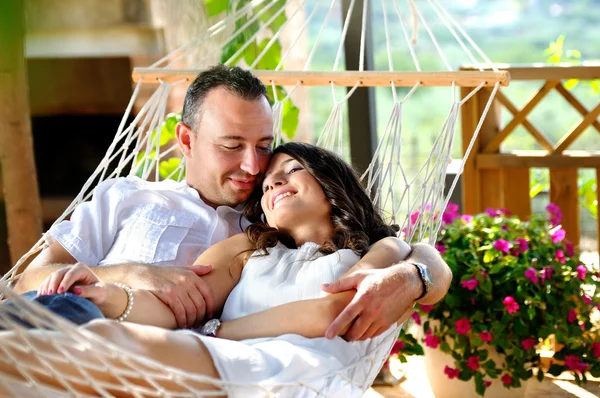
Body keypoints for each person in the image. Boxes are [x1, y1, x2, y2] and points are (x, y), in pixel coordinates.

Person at [13, 64, 451, 340]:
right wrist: (132, 272)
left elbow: (406, 248)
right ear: (186, 139)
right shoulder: (125, 196)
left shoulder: (270, 231)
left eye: (263, 145)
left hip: (150, 361)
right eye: (231, 144)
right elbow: (25, 279)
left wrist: (414, 274)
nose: (252, 165)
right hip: (66, 323)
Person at [0, 143, 449, 397]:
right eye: (269, 182)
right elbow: (174, 307)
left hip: (298, 370)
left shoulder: (384, 248)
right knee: (86, 332)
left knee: (99, 345)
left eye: (292, 171)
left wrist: (219, 331)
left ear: (332, 185)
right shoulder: (247, 250)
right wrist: (106, 293)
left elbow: (330, 313)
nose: (274, 182)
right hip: (225, 357)